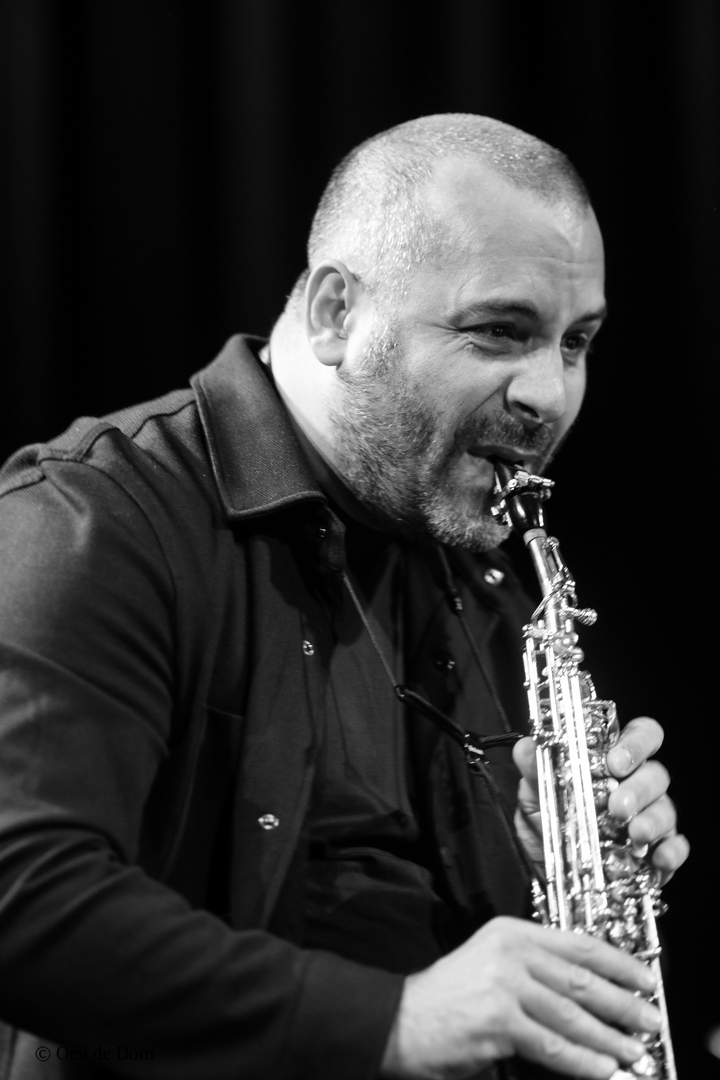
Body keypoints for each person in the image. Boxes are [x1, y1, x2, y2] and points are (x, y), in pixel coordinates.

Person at [0, 114, 688, 1080]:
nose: (549, 394)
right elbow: (24, 901)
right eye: (501, 331)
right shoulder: (94, 518)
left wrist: (560, 875)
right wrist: (396, 1020)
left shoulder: (487, 568)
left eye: (576, 342)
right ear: (335, 313)